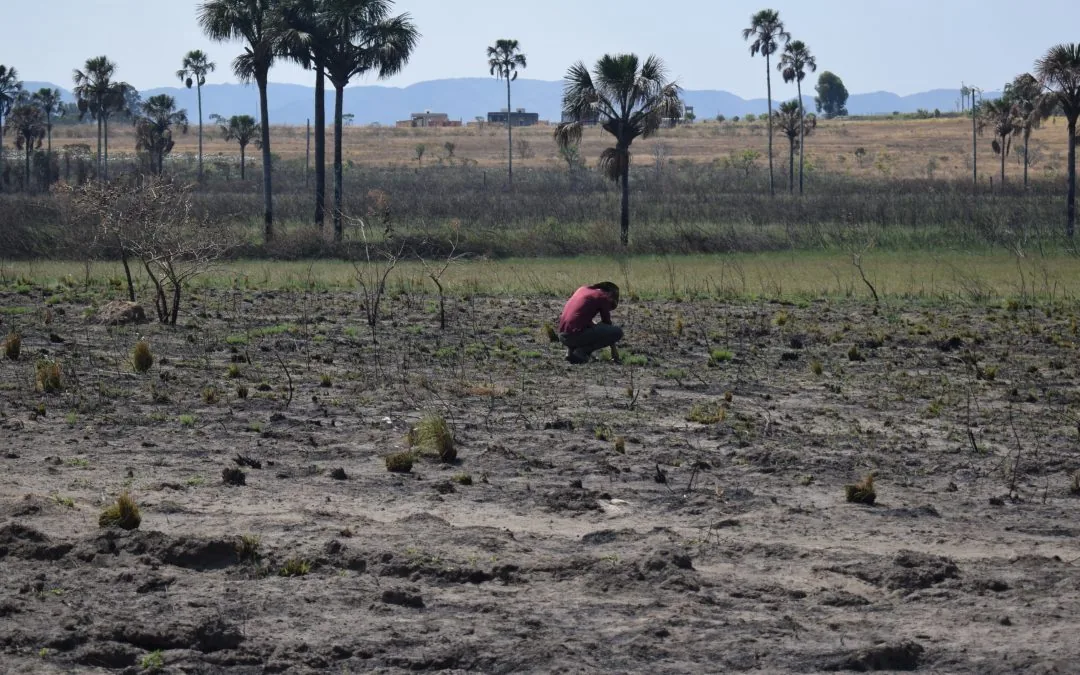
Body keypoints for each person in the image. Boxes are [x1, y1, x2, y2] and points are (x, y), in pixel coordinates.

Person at [557, 282, 623, 364]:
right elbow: (607, 323)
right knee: (617, 332)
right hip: (574, 336)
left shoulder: (582, 289)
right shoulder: (603, 296)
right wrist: (614, 351)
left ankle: (571, 351)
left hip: (562, 336)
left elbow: (578, 317)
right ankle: (582, 351)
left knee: (582, 328)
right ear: (610, 294)